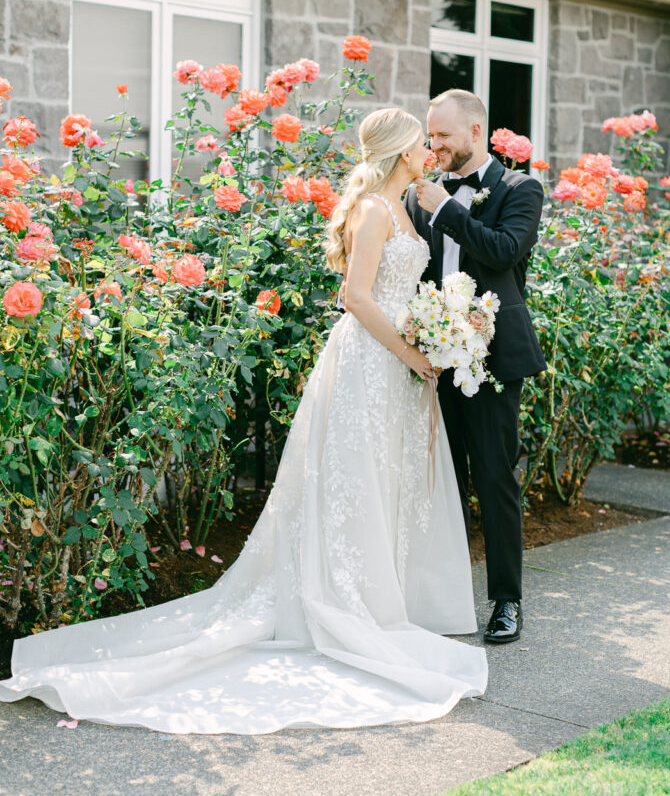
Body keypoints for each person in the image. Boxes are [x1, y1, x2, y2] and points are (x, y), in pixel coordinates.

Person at [0, 107, 487, 735]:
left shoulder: (407, 210)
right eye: (421, 143)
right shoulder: (371, 212)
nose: (431, 150)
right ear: (399, 152)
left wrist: (441, 331)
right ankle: (348, 602)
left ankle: (380, 596)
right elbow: (357, 298)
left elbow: (400, 291)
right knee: (356, 477)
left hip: (399, 366)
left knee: (384, 479)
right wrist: (412, 350)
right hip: (371, 360)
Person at [406, 89, 546, 645]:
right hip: (433, 359)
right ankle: (448, 598)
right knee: (443, 481)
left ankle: (507, 600)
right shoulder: (421, 196)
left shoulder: (520, 188)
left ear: (476, 132)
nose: (433, 144)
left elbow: (504, 251)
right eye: (429, 135)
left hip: (493, 359)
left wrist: (447, 208)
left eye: (442, 135)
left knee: (494, 478)